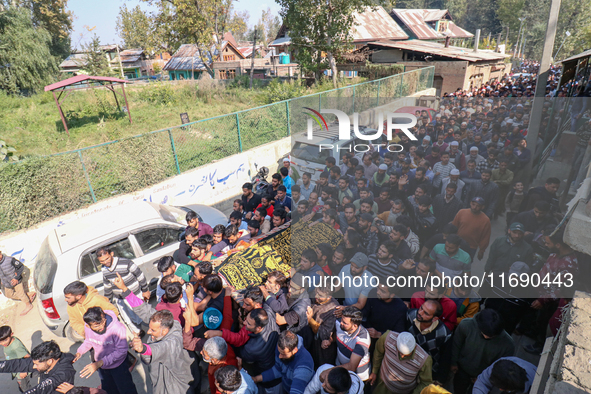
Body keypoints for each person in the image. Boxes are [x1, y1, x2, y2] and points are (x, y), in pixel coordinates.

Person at [112, 273, 196, 394]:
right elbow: (143, 309)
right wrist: (124, 289)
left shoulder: (174, 337)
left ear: (165, 331)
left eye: (153, 330)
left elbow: (163, 348)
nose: (148, 332)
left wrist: (143, 349)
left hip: (175, 384)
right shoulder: (162, 319)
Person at [74, 307, 138, 394]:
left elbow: (121, 351)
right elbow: (89, 341)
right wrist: (79, 352)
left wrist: (100, 362)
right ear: (88, 325)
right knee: (109, 390)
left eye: (103, 322)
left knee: (126, 389)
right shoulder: (87, 328)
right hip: (102, 367)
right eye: (96, 326)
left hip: (118, 366)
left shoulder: (117, 328)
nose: (101, 326)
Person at [450, 309, 515, 394]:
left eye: (492, 336)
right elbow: (456, 344)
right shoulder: (466, 325)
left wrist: (486, 378)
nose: (487, 337)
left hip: (483, 376)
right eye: (485, 333)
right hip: (462, 369)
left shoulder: (508, 344)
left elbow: (501, 366)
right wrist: (453, 362)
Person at [98, 246, 149, 335]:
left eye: (107, 258)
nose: (105, 262)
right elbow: (108, 286)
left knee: (144, 316)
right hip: (120, 299)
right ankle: (139, 334)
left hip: (134, 295)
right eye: (102, 261)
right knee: (128, 320)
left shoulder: (126, 263)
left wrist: (145, 290)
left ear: (112, 254)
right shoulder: (104, 269)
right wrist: (107, 302)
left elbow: (140, 275)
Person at [0, 340, 76, 394]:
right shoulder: (45, 361)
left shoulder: (64, 373)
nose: (34, 366)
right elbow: (18, 364)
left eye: (37, 364)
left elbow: (41, 389)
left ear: (50, 361)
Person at [406, 300, 452, 383]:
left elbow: (445, 360)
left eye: (426, 313)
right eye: (421, 308)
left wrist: (439, 380)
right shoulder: (409, 315)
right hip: (406, 364)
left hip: (426, 372)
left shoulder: (444, 334)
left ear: (435, 319)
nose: (420, 313)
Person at [364, 284, 407, 351]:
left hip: (385, 341)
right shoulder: (373, 293)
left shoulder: (400, 307)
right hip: (367, 333)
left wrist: (379, 334)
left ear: (392, 295)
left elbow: (398, 332)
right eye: (378, 288)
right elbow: (365, 312)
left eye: (382, 291)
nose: (378, 292)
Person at [305, 286, 339, 368]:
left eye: (320, 295)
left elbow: (325, 334)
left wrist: (310, 319)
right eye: (316, 292)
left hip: (323, 349)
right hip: (311, 342)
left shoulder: (333, 310)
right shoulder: (315, 299)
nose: (316, 296)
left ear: (329, 297)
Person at [335, 306, 371, 382]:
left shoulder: (362, 340)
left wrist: (330, 370)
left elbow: (352, 366)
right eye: (341, 319)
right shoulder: (340, 324)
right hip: (340, 367)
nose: (341, 323)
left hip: (356, 377)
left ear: (354, 326)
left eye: (345, 323)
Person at [472, 357, 537, 394]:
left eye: (502, 388)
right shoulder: (501, 365)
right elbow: (482, 381)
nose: (500, 389)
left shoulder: (535, 385)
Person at [0, 249, 34, 315]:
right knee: (8, 295)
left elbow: (21, 266)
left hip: (16, 280)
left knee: (20, 294)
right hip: (6, 283)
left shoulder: (10, 260)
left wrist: (16, 278)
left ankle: (29, 305)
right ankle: (28, 295)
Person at [0, 325, 30, 390]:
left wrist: (24, 371)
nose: (3, 343)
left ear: (11, 334)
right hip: (17, 370)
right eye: (0, 341)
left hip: (21, 372)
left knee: (25, 389)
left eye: (5, 340)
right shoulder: (9, 342)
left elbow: (27, 357)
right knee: (22, 387)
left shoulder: (15, 346)